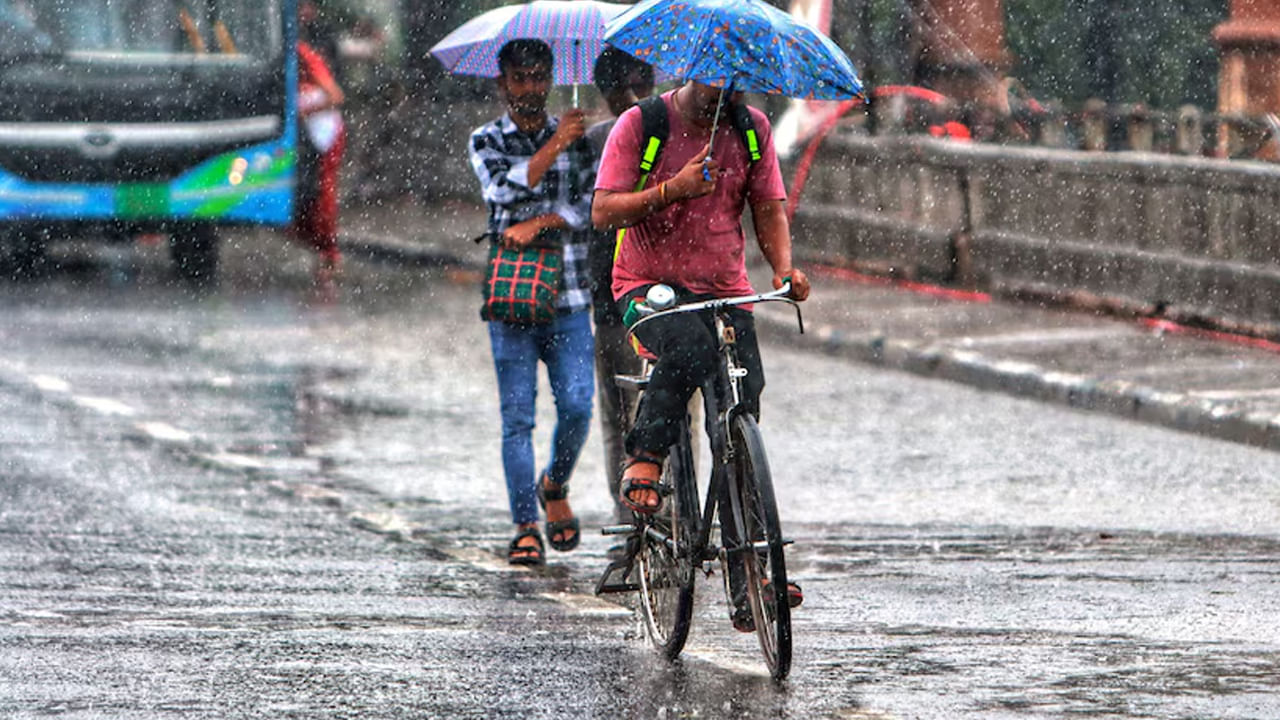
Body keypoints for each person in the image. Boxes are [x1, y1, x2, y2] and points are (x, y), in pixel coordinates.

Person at [591, 79, 809, 629]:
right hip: (648, 287)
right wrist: (671, 189)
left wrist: (784, 270)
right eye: (717, 78)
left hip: (725, 291)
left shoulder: (752, 130)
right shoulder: (644, 126)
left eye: (739, 81)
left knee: (739, 413)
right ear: (693, 70)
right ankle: (646, 453)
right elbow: (604, 212)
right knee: (687, 348)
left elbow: (769, 210)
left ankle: (750, 577)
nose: (727, 91)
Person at [468, 39, 595, 566]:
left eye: (539, 77)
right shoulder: (486, 140)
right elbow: (502, 192)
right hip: (512, 299)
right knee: (517, 418)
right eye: (520, 78)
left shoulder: (579, 139)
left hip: (569, 296)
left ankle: (555, 482)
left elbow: (591, 205)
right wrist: (552, 147)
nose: (531, 88)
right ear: (502, 83)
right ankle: (525, 524)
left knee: (578, 407)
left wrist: (543, 221)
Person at [584, 48, 655, 530]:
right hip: (630, 294)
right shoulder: (591, 143)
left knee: (638, 412)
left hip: (642, 294)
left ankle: (643, 508)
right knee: (637, 411)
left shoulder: (598, 141)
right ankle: (642, 507)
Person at [294, 16, 346, 278]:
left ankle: (328, 251)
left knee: (324, 192)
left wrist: (304, 110)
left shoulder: (303, 53)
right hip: (309, 135)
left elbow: (335, 95)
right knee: (311, 194)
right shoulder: (292, 53)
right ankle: (322, 247)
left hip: (325, 133)